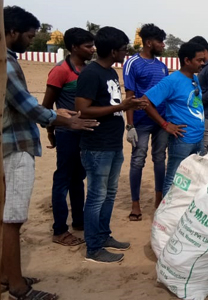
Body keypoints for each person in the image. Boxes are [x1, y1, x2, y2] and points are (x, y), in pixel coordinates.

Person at [3, 6, 99, 298]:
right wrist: (62, 120)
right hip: (16, 145)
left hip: (20, 138)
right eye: (30, 35)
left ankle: (7, 274)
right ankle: (18, 286)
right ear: (13, 31)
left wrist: (58, 115)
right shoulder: (7, 64)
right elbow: (30, 106)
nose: (31, 40)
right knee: (13, 217)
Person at [75, 26, 148, 264]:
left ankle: (104, 236)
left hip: (113, 144)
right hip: (97, 145)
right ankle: (93, 248)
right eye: (124, 49)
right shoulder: (91, 74)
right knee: (96, 196)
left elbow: (113, 103)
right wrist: (121, 108)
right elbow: (83, 109)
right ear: (113, 50)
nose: (126, 53)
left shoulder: (109, 73)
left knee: (109, 194)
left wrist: (128, 106)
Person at [42, 27, 95, 246]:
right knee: (62, 179)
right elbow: (46, 108)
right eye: (88, 46)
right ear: (74, 47)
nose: (92, 49)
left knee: (78, 178)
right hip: (66, 134)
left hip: (83, 135)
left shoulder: (88, 70)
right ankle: (60, 230)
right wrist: (52, 132)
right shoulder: (60, 71)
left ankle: (79, 221)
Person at [141, 42, 207, 195]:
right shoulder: (172, 80)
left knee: (192, 178)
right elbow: (145, 102)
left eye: (203, 60)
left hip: (198, 138)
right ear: (187, 60)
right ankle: (164, 216)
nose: (203, 63)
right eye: (199, 60)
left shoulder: (194, 79)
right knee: (173, 178)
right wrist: (165, 124)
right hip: (182, 140)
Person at [122, 23, 169, 221]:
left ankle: (159, 199)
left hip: (161, 121)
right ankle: (135, 203)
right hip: (140, 121)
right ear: (149, 43)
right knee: (137, 160)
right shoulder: (132, 63)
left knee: (159, 159)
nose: (163, 45)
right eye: (160, 41)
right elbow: (130, 95)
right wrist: (130, 125)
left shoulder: (162, 67)